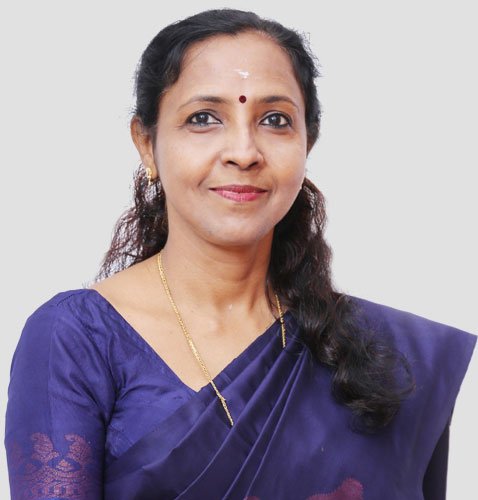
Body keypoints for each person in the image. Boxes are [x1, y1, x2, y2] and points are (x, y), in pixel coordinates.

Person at [4, 8, 476, 500]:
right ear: (146, 144)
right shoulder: (77, 339)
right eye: (203, 118)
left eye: (275, 120)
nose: (244, 152)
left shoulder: (391, 355)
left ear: (308, 142)